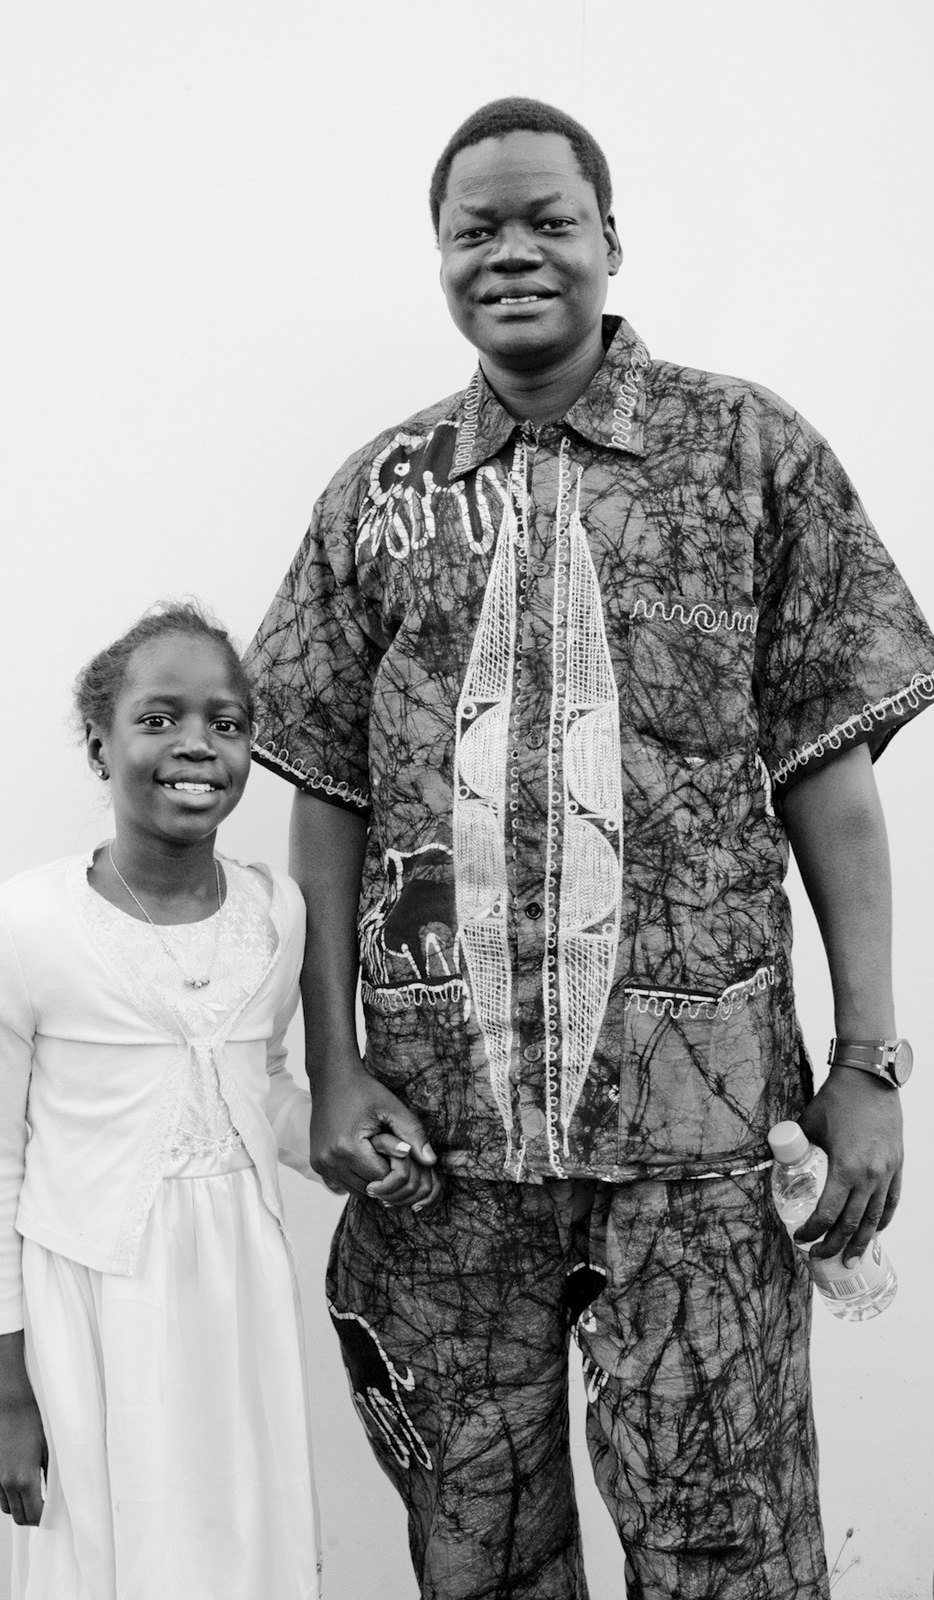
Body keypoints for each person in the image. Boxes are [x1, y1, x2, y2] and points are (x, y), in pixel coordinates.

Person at [243, 97, 934, 1600]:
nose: (510, 252)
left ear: (609, 241)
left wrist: (868, 1063)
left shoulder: (746, 451)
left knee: (726, 1547)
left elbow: (830, 778)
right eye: (472, 228)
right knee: (474, 1552)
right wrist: (328, 1065)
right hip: (440, 1144)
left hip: (697, 1137)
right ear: (436, 259)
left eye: (546, 219)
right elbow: (323, 800)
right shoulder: (380, 494)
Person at [0, 601, 427, 1600]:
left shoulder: (275, 911)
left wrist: (344, 1138)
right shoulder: (27, 923)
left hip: (235, 1293)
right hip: (92, 1302)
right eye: (158, 718)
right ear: (100, 743)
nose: (194, 746)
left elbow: (255, 1095)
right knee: (111, 1559)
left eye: (225, 722)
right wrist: (7, 1395)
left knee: (237, 1547)